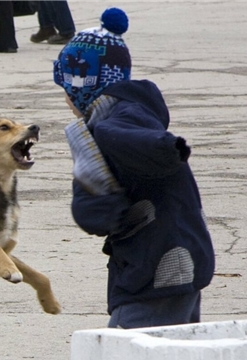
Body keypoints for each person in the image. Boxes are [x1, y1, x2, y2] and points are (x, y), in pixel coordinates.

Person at [53, 8, 215, 329]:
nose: (65, 98)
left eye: (65, 88)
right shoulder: (129, 112)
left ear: (80, 86)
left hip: (159, 270)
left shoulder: (114, 127)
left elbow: (139, 143)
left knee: (124, 348)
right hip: (169, 260)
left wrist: (163, 148)